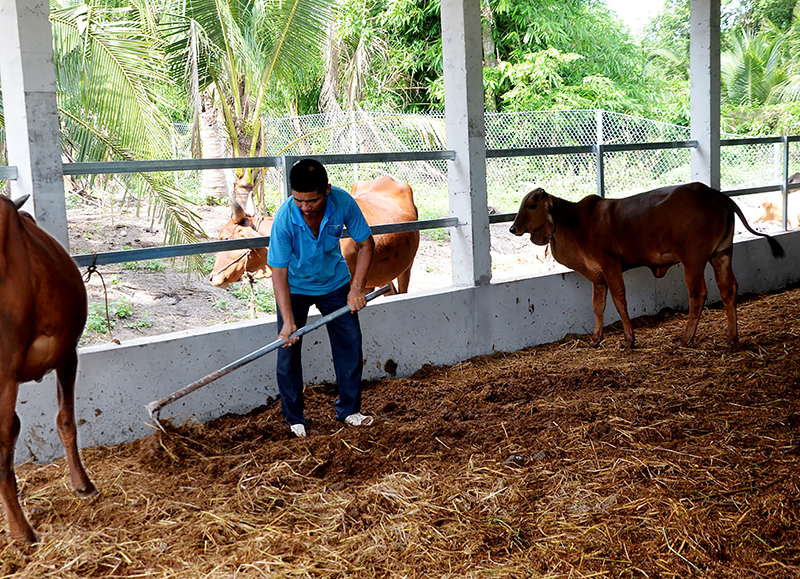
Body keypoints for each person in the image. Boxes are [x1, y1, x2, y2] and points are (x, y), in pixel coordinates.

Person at [267, 158, 377, 438]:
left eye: (312, 200)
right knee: (288, 350)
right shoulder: (284, 219)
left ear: (326, 190)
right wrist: (288, 322)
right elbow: (278, 272)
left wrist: (356, 288)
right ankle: (294, 419)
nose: (305, 207)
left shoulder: (343, 203)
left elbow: (366, 244)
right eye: (299, 200)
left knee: (350, 343)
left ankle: (349, 410)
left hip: (335, 283)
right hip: (295, 286)